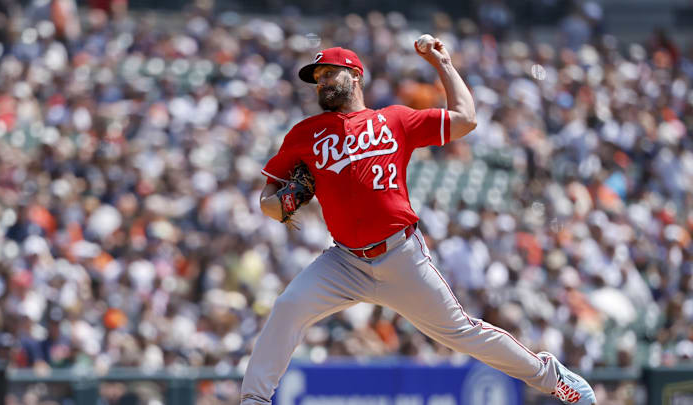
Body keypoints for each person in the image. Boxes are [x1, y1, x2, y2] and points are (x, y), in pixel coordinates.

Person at [242, 39, 597, 405]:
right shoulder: (305, 134)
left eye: (330, 73)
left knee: (461, 332)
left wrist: (443, 63)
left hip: (401, 256)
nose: (322, 82)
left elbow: (466, 119)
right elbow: (268, 200)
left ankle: (550, 376)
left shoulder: (394, 118)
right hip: (344, 261)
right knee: (288, 307)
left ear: (356, 76)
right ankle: (254, 400)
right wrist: (283, 202)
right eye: (317, 77)